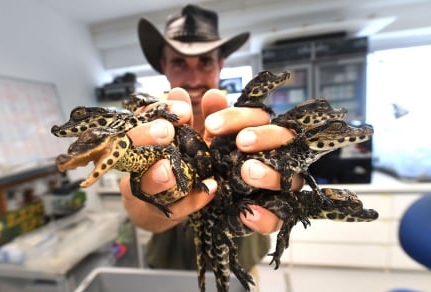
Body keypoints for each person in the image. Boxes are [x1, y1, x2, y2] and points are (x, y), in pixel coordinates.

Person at [119, 4, 303, 271]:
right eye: (179, 62)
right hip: (171, 267)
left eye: (205, 61)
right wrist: (153, 208)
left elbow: (282, 190)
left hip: (239, 264)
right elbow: (132, 201)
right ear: (164, 66)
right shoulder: (146, 126)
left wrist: (283, 181)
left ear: (220, 64)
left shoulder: (251, 124)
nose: (193, 77)